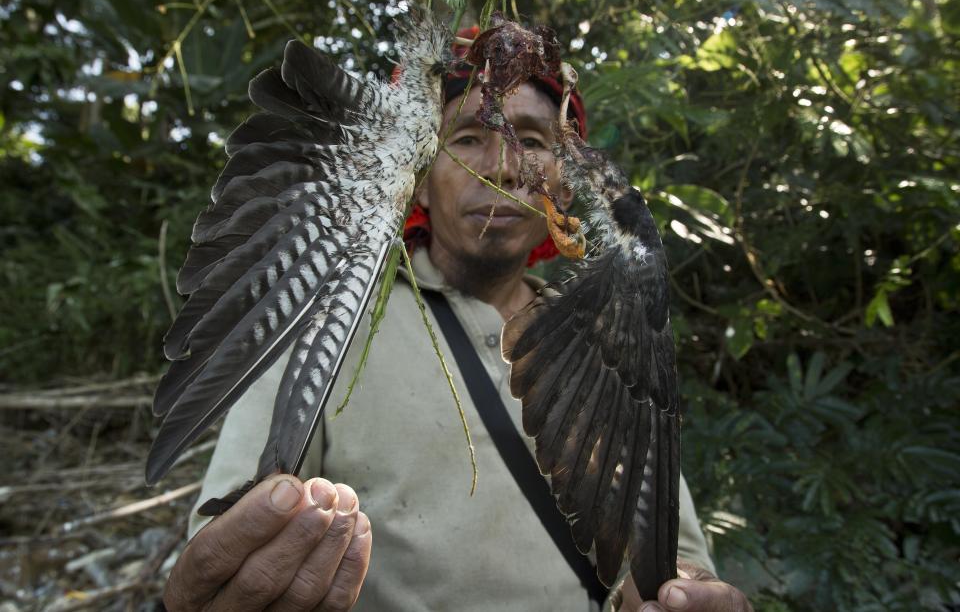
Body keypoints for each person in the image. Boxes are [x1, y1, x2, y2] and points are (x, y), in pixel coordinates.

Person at [161, 35, 753, 612]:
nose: (501, 165)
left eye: (531, 139)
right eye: (468, 137)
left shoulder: (614, 343)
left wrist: (679, 592)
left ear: (564, 183)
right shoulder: (327, 319)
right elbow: (224, 552)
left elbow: (670, 556)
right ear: (417, 174)